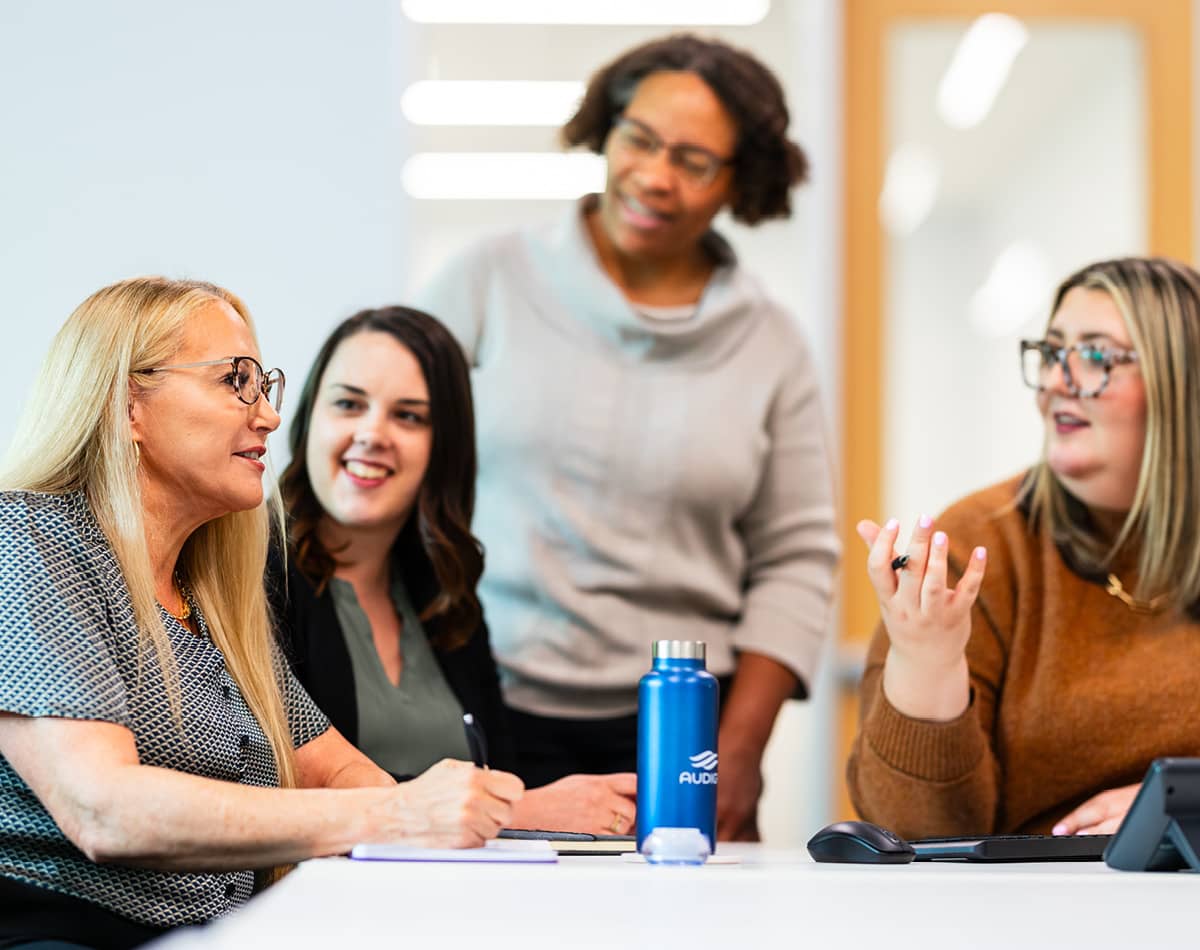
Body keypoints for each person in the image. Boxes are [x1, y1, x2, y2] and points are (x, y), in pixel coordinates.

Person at [0, 278, 523, 949]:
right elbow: (105, 809)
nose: (270, 418)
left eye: (264, 386)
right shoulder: (27, 540)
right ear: (129, 404)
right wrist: (393, 812)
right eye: (235, 382)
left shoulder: (206, 597)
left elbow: (332, 767)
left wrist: (407, 810)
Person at [414, 33, 840, 842]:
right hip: (473, 698)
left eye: (693, 159)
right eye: (638, 139)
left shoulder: (771, 342)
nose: (654, 175)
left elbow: (797, 557)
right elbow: (388, 476)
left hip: (679, 724)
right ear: (604, 132)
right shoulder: (489, 280)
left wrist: (738, 751)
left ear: (738, 183)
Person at [847, 256, 1200, 840]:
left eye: (1094, 357)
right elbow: (916, 834)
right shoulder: (977, 543)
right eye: (1052, 352)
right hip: (1032, 911)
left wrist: (1183, 803)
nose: (1057, 382)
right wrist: (926, 663)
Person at [273, 306, 638, 836]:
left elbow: (502, 775)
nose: (373, 433)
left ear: (442, 448)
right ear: (309, 422)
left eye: (409, 416)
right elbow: (279, 783)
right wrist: (524, 809)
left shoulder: (447, 597)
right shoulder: (253, 572)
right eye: (349, 404)